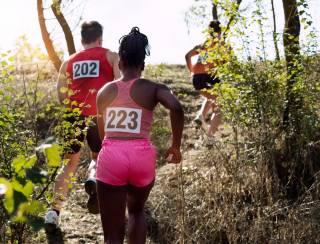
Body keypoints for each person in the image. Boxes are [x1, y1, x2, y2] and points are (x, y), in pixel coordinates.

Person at [96, 27, 184, 244]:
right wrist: (175, 146)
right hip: (141, 158)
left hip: (112, 156)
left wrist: (105, 151)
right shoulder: (152, 88)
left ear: (120, 63)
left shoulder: (105, 91)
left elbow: (102, 132)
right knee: (136, 212)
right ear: (142, 66)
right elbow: (176, 107)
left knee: (112, 236)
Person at [45, 20, 120, 228]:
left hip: (73, 115)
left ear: (81, 40)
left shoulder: (68, 61)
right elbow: (120, 85)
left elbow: (60, 94)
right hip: (100, 114)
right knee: (98, 156)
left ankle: (53, 212)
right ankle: (94, 179)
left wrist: (73, 109)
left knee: (69, 163)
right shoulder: (111, 56)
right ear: (100, 38)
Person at [185, 20, 222, 137]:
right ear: (220, 32)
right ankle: (211, 137)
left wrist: (192, 71)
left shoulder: (203, 45)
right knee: (218, 108)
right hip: (209, 77)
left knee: (211, 97)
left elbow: (187, 56)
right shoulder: (221, 46)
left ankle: (200, 116)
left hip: (197, 79)